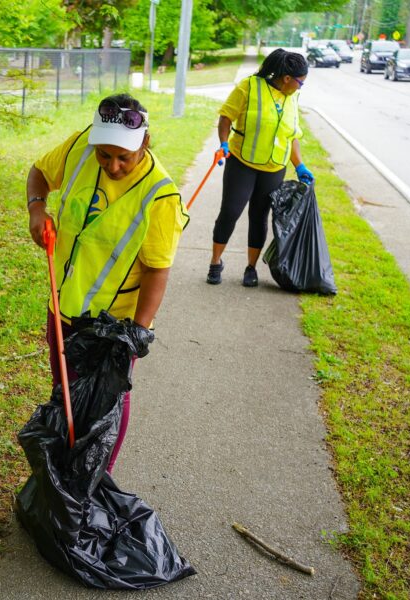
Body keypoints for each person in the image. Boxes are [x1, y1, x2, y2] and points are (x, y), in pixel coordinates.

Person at [26, 93, 188, 473]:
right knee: (65, 393)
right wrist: (37, 208)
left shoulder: (159, 196)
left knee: (104, 404)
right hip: (63, 304)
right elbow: (39, 173)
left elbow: (157, 270)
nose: (112, 165)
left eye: (123, 157)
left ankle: (93, 477)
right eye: (104, 155)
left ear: (144, 142)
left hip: (112, 325)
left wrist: (138, 331)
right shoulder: (82, 147)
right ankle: (63, 473)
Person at [206, 48, 312, 287]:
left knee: (259, 217)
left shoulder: (293, 96)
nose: (301, 87)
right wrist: (223, 143)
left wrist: (300, 165)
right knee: (230, 212)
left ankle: (251, 268)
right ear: (287, 78)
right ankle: (215, 262)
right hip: (242, 162)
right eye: (300, 82)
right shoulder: (249, 87)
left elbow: (292, 136)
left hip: (274, 167)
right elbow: (226, 117)